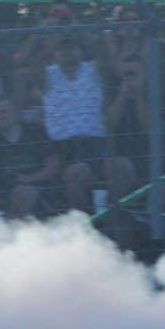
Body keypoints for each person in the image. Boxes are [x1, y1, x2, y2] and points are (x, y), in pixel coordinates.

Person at [38, 33, 110, 212]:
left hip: (94, 142)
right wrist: (51, 41)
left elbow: (104, 57)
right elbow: (32, 68)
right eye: (62, 49)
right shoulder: (48, 73)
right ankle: (82, 220)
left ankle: (109, 215)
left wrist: (80, 30)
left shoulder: (92, 70)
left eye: (72, 48)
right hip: (61, 145)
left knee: (121, 167)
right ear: (55, 53)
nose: (67, 53)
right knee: (76, 172)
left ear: (81, 51)